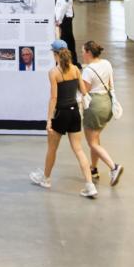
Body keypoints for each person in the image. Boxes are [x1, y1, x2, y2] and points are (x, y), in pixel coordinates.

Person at [30, 40, 97, 198]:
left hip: (61, 114)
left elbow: (53, 98)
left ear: (55, 54)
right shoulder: (75, 69)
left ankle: (46, 179)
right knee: (79, 150)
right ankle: (90, 185)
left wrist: (48, 120)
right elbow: (83, 90)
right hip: (74, 113)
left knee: (52, 149)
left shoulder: (54, 72)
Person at [80, 41, 124, 185]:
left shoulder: (88, 71)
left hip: (94, 106)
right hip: (106, 103)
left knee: (92, 142)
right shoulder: (107, 63)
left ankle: (113, 167)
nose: (81, 54)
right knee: (96, 138)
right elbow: (111, 84)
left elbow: (84, 91)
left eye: (83, 51)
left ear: (88, 53)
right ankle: (93, 168)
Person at [55, 0, 79, 68]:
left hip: (63, 19)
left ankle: (66, 61)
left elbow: (57, 7)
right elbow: (63, 8)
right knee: (68, 41)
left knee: (67, 40)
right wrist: (59, 20)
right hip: (66, 20)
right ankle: (70, 61)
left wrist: (57, 18)